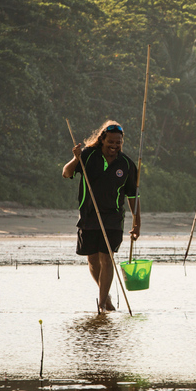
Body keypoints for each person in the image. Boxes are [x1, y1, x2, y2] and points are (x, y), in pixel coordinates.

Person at [63, 120, 141, 313]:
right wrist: (76, 158)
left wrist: (137, 222)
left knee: (107, 258)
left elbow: (133, 196)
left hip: (113, 218)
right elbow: (66, 173)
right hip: (89, 216)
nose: (114, 146)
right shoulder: (88, 156)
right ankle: (105, 296)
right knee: (92, 260)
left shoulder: (127, 165)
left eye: (118, 143)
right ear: (102, 140)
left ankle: (101, 305)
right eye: (111, 142)